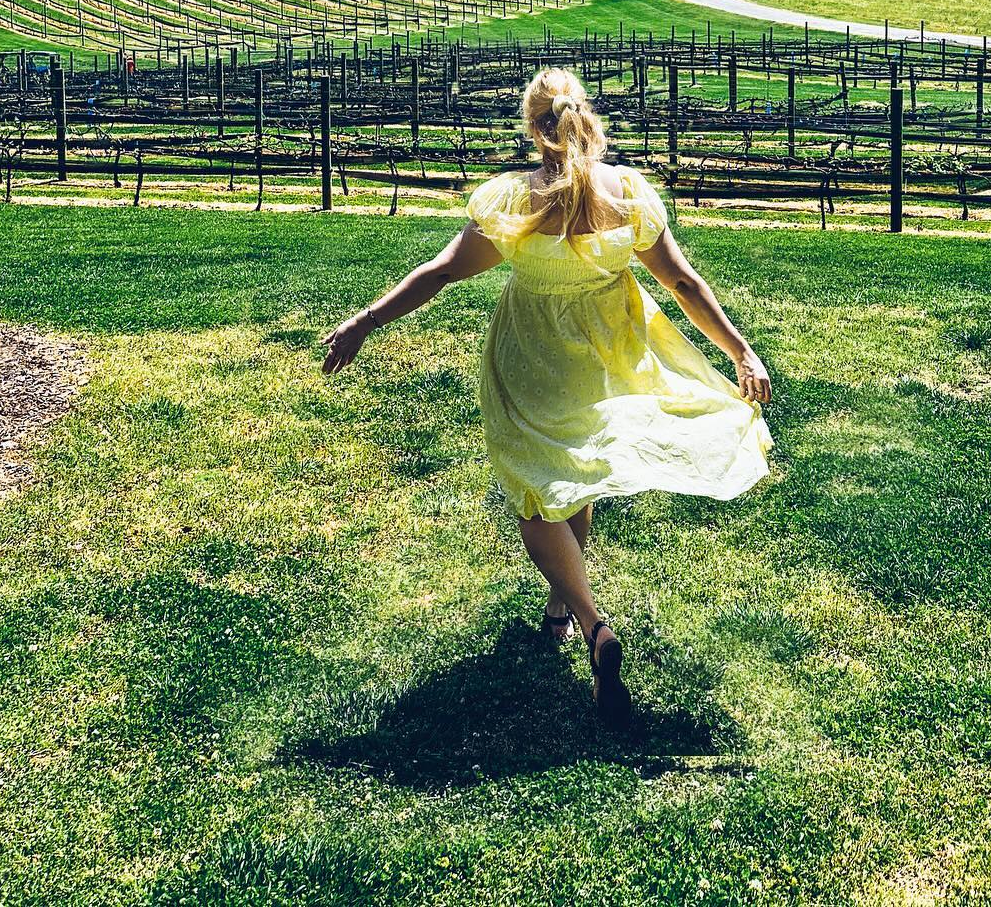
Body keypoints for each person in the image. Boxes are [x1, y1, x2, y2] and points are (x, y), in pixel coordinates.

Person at [320, 65, 774, 724]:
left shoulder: (515, 201)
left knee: (538, 493)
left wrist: (365, 321)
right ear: (583, 118)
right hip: (605, 360)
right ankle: (561, 607)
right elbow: (683, 283)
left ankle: (591, 624)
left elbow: (442, 272)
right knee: (573, 476)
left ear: (535, 132)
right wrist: (740, 349)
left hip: (530, 361)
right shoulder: (628, 194)